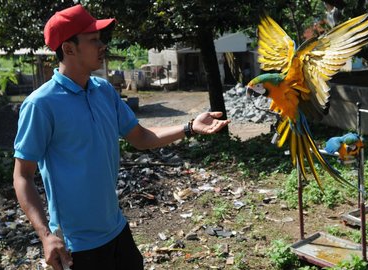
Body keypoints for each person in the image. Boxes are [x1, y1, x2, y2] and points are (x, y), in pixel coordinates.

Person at [12, 4, 230, 270]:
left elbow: (141, 136)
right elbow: (22, 175)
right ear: (69, 49)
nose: (102, 45)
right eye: (93, 40)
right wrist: (45, 236)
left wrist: (189, 127)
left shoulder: (103, 90)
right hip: (77, 244)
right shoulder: (41, 105)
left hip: (116, 230)